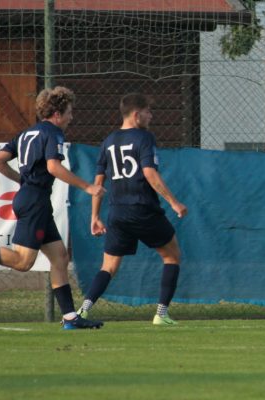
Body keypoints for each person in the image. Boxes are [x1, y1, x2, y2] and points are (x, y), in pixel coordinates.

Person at [0, 86, 106, 330]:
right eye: (69, 112)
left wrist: (23, 180)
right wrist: (87, 187)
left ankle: (70, 317)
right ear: (57, 113)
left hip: (32, 199)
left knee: (60, 257)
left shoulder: (26, 133)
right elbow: (53, 167)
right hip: (34, 203)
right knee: (23, 262)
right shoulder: (53, 133)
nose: (71, 118)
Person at [76, 93, 187, 326]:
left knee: (108, 266)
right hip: (143, 209)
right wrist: (173, 202)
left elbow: (98, 182)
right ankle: (161, 314)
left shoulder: (109, 140)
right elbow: (149, 173)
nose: (151, 116)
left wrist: (95, 216)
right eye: (148, 111)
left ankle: (83, 311)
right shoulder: (144, 137)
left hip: (117, 212)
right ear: (136, 115)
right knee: (172, 256)